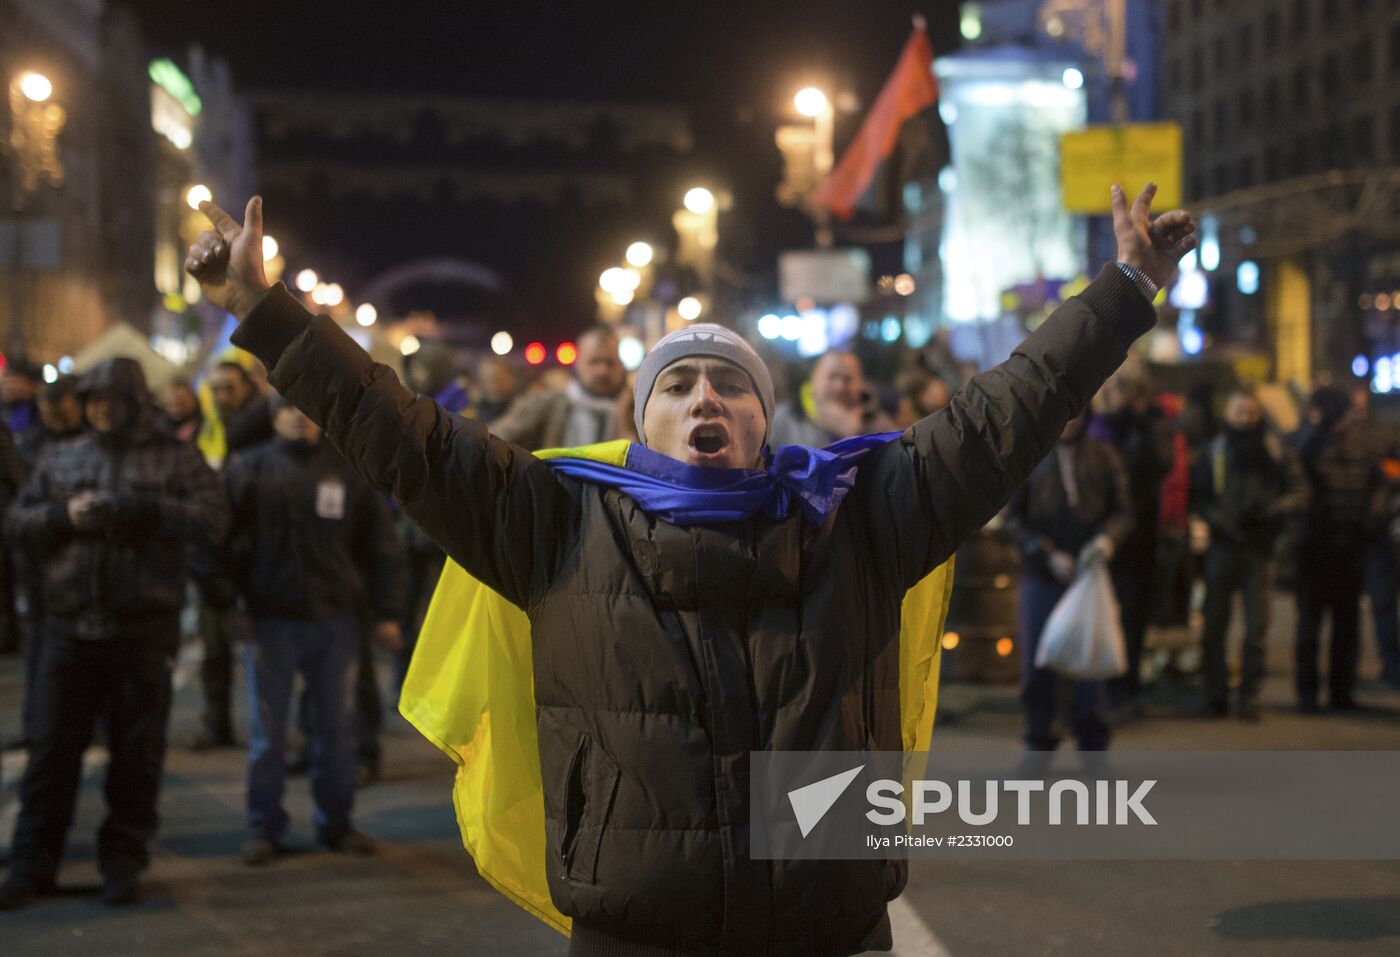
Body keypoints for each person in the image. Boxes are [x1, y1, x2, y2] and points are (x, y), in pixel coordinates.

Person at [185, 185, 1194, 955]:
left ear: (764, 418)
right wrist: (267, 315)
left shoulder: (859, 517)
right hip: (637, 933)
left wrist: (1123, 289)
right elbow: (398, 433)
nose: (704, 397)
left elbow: (1001, 418)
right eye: (677, 383)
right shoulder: (555, 520)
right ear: (641, 418)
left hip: (822, 928)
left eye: (729, 384)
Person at [0, 358, 227, 909]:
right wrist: (62, 519)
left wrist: (145, 511)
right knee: (52, 753)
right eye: (93, 400)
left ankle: (123, 862)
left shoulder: (175, 456)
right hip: (68, 628)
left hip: (142, 632)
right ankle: (32, 865)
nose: (101, 409)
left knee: (135, 756)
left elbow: (212, 518)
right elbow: (17, 525)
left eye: (111, 400)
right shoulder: (62, 456)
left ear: (133, 402)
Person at [213, 396, 405, 865]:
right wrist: (227, 603)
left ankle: (336, 824)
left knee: (338, 731)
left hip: (336, 621)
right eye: (288, 407)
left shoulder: (350, 471)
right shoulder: (248, 471)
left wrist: (388, 613)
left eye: (307, 406)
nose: (300, 414)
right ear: (272, 415)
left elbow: (382, 547)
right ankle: (263, 826)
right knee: (268, 736)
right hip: (269, 621)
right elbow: (215, 542)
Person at [1004, 414, 1134, 752]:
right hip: (1042, 574)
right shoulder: (1030, 456)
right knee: (1037, 663)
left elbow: (1122, 511)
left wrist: (1105, 541)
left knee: (1091, 664)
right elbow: (1013, 519)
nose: (1069, 420)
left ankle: (1092, 742)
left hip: (1090, 574)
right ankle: (1038, 737)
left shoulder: (1103, 455)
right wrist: (1045, 553)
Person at [1190, 388, 1306, 720]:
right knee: (1214, 626)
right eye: (1240, 411)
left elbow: (1299, 491)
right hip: (1222, 548)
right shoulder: (1214, 450)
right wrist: (1219, 521)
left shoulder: (1274, 450)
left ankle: (1248, 697)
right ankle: (1215, 696)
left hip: (1259, 551)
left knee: (1256, 628)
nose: (1245, 418)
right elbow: (1198, 496)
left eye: (1251, 412)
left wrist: (1271, 510)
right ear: (1228, 414)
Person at [191, 360, 275, 750]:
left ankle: (271, 731)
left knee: (267, 651)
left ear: (246, 389)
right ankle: (216, 724)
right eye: (216, 389)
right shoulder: (207, 430)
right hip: (215, 555)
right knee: (215, 649)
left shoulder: (265, 430)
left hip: (258, 557)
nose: (222, 396)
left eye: (229, 388)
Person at [1293, 387, 1386, 713]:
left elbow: (1378, 485)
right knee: (1315, 623)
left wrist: (1370, 517)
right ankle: (1315, 693)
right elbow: (1297, 484)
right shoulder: (1309, 440)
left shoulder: (1359, 443)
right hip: (1319, 544)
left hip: (1346, 542)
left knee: (1340, 623)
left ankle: (1336, 691)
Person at [1090, 364, 1174, 714]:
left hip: (1138, 534)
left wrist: (1137, 423)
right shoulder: (1098, 426)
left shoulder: (1152, 427)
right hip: (1103, 534)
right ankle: (1102, 685)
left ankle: (1125, 686)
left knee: (1133, 613)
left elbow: (1155, 467)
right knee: (1103, 610)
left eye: (1123, 388)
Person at [489, 325, 627, 449]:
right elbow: (495, 440)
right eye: (594, 362)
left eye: (610, 363)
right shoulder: (548, 404)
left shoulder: (633, 411)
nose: (602, 371)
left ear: (620, 365)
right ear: (578, 363)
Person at [770, 350, 894, 447]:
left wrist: (857, 436)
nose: (840, 386)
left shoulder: (880, 425)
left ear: (861, 383)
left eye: (848, 378)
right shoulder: (784, 419)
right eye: (832, 376)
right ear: (814, 379)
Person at [2, 358, 45, 466]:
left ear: (31, 385)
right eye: (6, 382)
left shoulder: (42, 412)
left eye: (14, 382)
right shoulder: (4, 411)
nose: (8, 386)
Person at [158, 378, 203, 444]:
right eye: (171, 402)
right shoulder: (161, 426)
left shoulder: (204, 423)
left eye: (182, 402)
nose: (175, 402)